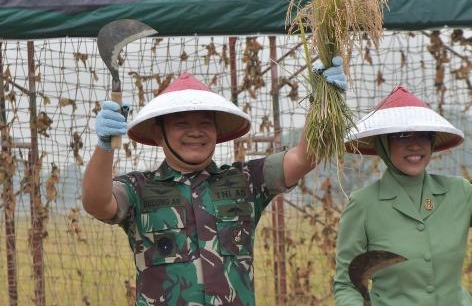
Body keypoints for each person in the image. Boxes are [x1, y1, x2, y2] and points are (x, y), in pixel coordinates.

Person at [81, 59, 346, 305]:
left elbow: (304, 157)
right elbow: (97, 203)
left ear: (217, 133)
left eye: (205, 123)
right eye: (181, 123)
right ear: (158, 134)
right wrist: (105, 146)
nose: (195, 132)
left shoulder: (246, 181)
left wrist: (322, 101)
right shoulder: (138, 189)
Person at [333, 86, 472, 306]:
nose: (415, 145)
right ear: (383, 142)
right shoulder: (364, 205)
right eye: (402, 135)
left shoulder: (459, 192)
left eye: (424, 135)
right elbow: (347, 285)